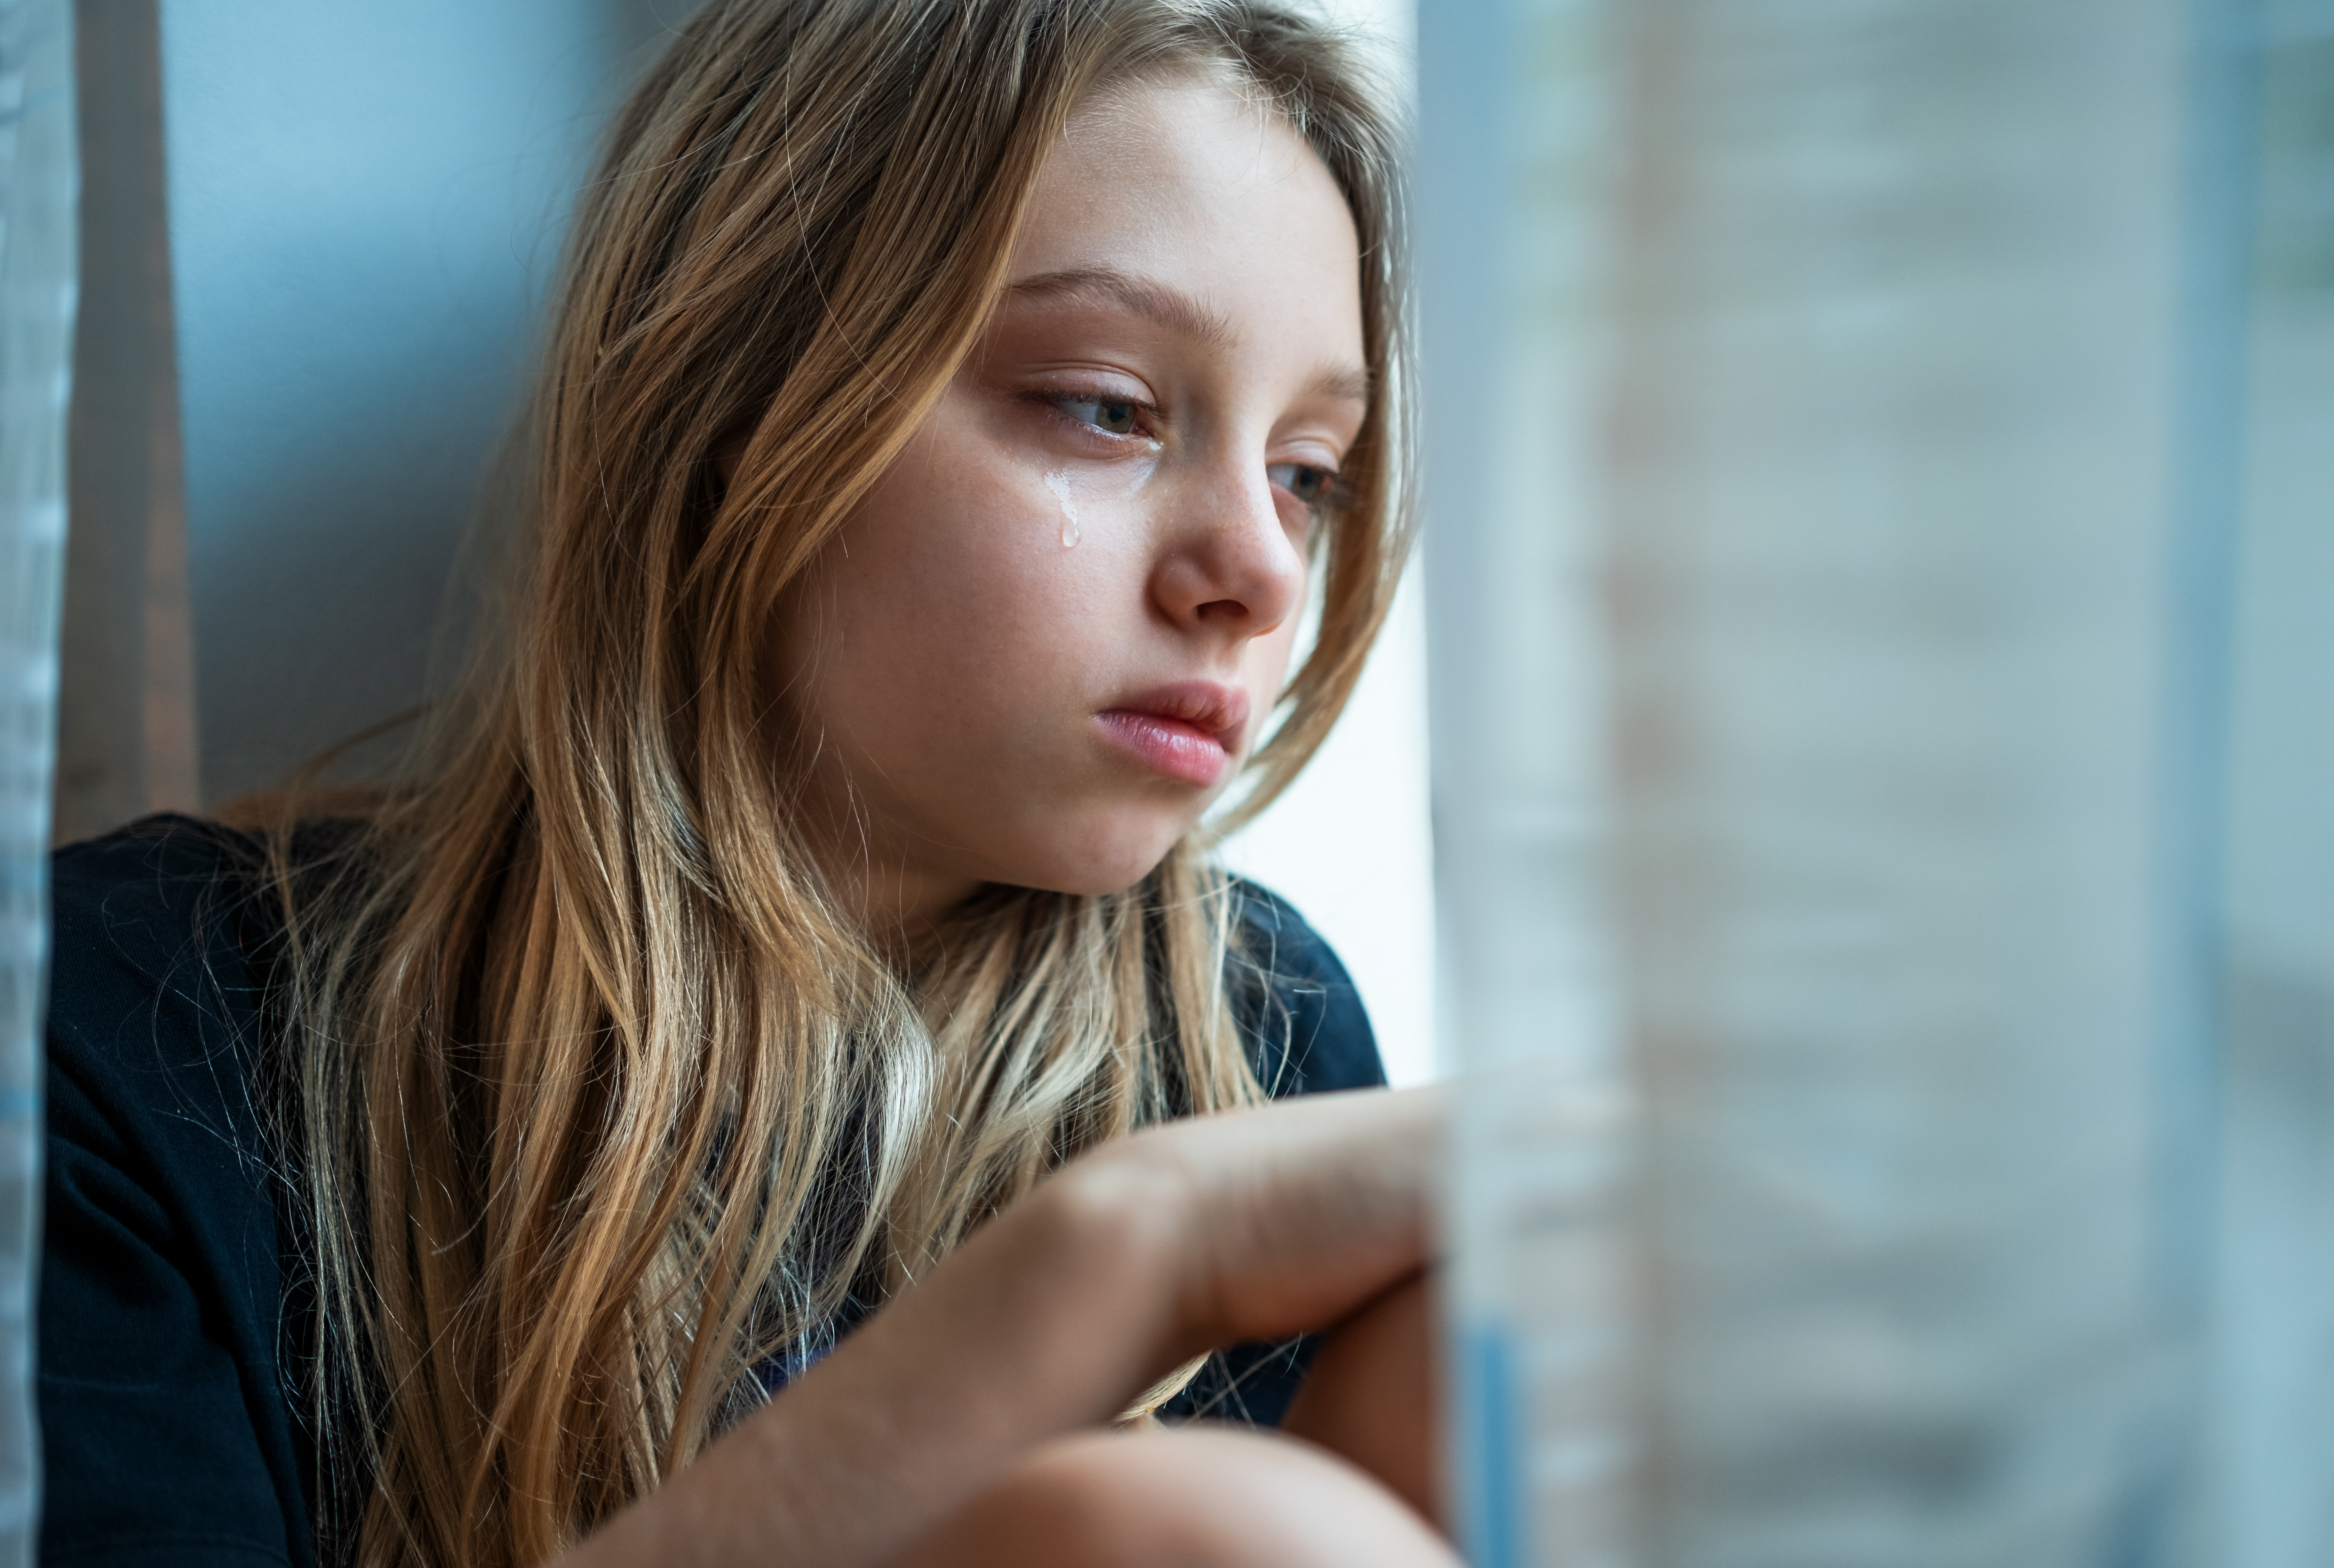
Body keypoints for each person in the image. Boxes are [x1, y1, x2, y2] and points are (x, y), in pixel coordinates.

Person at [39, 2, 1451, 1564]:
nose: (1258, 571)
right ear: (731, 402)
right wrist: (1120, 1262)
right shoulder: (126, 1040)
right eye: (1105, 406)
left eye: (1306, 473)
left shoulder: (1256, 1024)